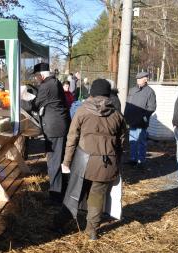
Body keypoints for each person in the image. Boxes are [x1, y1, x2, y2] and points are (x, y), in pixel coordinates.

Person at [54, 79, 126, 240]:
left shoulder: (82, 111)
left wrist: (66, 162)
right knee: (97, 196)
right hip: (107, 162)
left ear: (91, 93)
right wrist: (117, 162)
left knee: (74, 194)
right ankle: (92, 231)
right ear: (108, 94)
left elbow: (71, 138)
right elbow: (122, 143)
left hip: (83, 162)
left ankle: (58, 223)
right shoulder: (117, 114)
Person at [23, 62, 71, 203]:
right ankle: (63, 190)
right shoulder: (54, 82)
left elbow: (34, 105)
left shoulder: (46, 86)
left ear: (42, 75)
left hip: (54, 128)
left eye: (37, 76)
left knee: (54, 162)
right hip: (60, 125)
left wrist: (19, 100)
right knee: (60, 159)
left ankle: (56, 196)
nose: (36, 79)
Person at [123, 72, 157, 167]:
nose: (138, 80)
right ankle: (133, 159)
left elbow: (152, 108)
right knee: (132, 141)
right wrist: (126, 116)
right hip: (131, 121)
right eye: (137, 79)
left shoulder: (150, 92)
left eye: (140, 78)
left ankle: (141, 161)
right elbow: (128, 104)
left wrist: (143, 118)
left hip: (141, 122)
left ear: (145, 79)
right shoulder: (132, 90)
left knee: (141, 142)